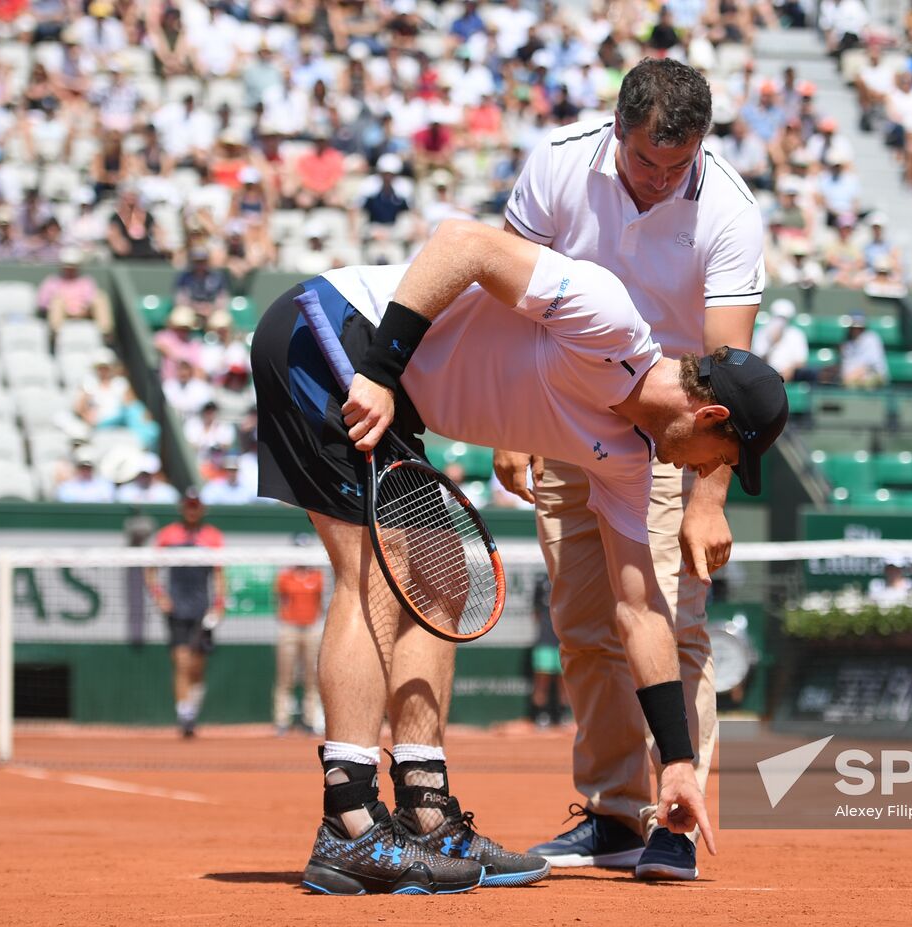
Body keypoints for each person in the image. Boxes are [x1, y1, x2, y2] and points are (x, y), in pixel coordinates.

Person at [250, 218, 785, 894]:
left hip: (390, 383)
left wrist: (676, 762)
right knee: (377, 575)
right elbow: (462, 244)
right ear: (710, 418)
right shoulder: (607, 317)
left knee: (442, 579)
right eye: (724, 459)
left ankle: (425, 810)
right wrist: (380, 373)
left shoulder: (630, 460)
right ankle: (349, 822)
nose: (708, 471)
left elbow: (642, 609)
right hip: (334, 335)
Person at [497, 58, 765, 882]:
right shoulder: (556, 162)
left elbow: (728, 380)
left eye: (677, 165)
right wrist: (507, 423)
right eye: (646, 160)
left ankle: (675, 818)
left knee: (671, 623)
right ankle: (613, 812)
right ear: (618, 127)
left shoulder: (729, 210)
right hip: (560, 417)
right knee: (584, 627)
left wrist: (708, 500)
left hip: (669, 432)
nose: (658, 179)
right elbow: (507, 292)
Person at [145, 490, 226, 737]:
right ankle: (185, 714)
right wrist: (159, 596)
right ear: (182, 508)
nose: (192, 510)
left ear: (201, 509)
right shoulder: (167, 535)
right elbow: (150, 569)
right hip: (177, 610)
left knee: (197, 666)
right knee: (181, 662)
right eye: (188, 506)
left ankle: (193, 709)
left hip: (202, 611)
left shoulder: (213, 536)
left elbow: (219, 575)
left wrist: (218, 605)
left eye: (196, 506)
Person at [274, 537, 325, 736]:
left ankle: (310, 720)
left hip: (312, 628)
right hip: (290, 629)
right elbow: (279, 600)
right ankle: (282, 721)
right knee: (285, 676)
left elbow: (320, 602)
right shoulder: (284, 576)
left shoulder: (317, 576)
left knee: (311, 678)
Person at [528, 574, 566, 728]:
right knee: (542, 681)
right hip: (544, 642)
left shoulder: (568, 579)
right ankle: (541, 715)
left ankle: (562, 715)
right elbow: (536, 613)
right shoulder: (541, 582)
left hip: (564, 643)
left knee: (564, 682)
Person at [750, 298, 809, 382]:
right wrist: (771, 343)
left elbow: (801, 362)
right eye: (778, 317)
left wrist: (789, 370)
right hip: (765, 375)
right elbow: (758, 360)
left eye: (784, 318)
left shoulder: (797, 334)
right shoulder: (761, 333)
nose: (780, 321)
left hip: (791, 376)